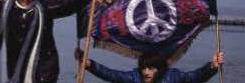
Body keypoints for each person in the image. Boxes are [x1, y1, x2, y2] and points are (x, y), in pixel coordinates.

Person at [75, 48, 224, 83]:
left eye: (151, 68)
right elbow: (112, 75)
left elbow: (195, 77)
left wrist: (213, 66)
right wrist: (89, 64)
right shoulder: (135, 77)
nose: (146, 72)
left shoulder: (172, 76)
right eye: (144, 68)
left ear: (159, 69)